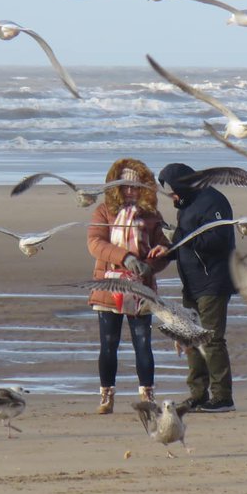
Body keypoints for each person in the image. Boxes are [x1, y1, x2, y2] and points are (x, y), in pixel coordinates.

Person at [86, 158, 170, 415]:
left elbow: (164, 250)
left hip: (140, 288)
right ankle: (106, 396)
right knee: (108, 343)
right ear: (116, 187)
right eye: (125, 186)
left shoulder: (152, 215)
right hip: (108, 286)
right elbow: (95, 243)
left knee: (142, 344)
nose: (131, 191)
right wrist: (125, 258)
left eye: (136, 186)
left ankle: (147, 395)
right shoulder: (103, 211)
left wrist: (152, 263)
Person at [157, 163, 236, 413]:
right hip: (191, 282)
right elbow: (182, 240)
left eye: (172, 192)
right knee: (189, 337)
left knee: (212, 339)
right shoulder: (186, 206)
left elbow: (218, 239)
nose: (172, 198)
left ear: (182, 185)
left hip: (213, 281)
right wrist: (168, 251)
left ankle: (222, 397)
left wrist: (184, 240)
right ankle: (198, 394)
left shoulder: (213, 201)